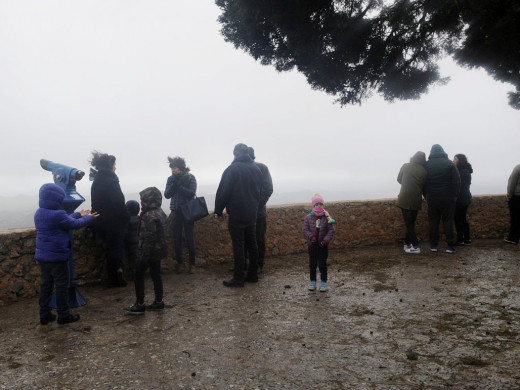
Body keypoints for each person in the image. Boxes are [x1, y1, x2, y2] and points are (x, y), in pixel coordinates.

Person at [34, 183, 99, 325]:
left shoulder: (39, 212)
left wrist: (77, 214)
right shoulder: (58, 214)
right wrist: (89, 218)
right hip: (57, 257)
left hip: (43, 257)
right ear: (57, 199)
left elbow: (65, 220)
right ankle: (63, 315)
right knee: (61, 285)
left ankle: (44, 314)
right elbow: (73, 224)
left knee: (46, 285)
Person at [215, 143, 263, 287]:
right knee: (252, 244)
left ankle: (238, 277)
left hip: (237, 212)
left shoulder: (232, 169)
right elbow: (259, 192)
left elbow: (223, 191)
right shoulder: (256, 169)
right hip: (252, 213)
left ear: (235, 154)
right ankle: (253, 274)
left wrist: (218, 211)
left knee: (239, 245)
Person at [124, 187, 168, 314]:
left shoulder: (149, 215)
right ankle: (159, 301)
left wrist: (143, 255)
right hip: (159, 250)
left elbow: (149, 237)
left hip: (149, 251)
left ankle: (139, 303)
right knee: (156, 274)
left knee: (138, 274)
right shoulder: (160, 212)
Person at [90, 151, 130, 287]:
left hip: (98, 220)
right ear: (110, 166)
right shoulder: (111, 180)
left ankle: (111, 275)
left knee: (107, 249)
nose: (115, 167)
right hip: (113, 222)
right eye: (114, 165)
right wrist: (126, 218)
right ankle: (117, 273)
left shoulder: (96, 180)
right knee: (116, 248)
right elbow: (118, 202)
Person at [424, 144, 461, 253]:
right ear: (442, 151)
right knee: (448, 221)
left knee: (433, 221)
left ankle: (433, 245)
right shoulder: (450, 163)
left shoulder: (426, 165)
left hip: (432, 198)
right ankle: (450, 245)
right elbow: (457, 182)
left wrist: (425, 195)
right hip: (447, 198)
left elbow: (423, 183)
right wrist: (454, 196)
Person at [164, 156, 198, 274]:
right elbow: (167, 195)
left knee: (190, 239)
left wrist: (180, 186)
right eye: (172, 168)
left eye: (175, 168)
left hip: (188, 211)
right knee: (176, 239)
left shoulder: (190, 177)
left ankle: (192, 264)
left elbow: (191, 193)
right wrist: (174, 185)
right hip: (176, 211)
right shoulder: (170, 179)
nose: (173, 170)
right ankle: (180, 263)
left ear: (181, 168)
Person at [246, 146, 273, 274]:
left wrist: (256, 205)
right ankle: (248, 264)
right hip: (247, 212)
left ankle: (258, 265)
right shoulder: (243, 169)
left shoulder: (262, 168)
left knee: (258, 240)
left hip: (258, 213)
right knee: (247, 240)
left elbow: (268, 189)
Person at [302, 194, 336, 292]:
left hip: (323, 246)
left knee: (322, 264)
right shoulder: (308, 217)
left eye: (321, 203)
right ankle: (312, 281)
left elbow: (331, 230)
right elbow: (305, 230)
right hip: (312, 246)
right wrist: (311, 237)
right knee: (312, 264)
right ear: (313, 206)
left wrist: (325, 240)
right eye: (317, 204)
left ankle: (324, 282)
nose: (319, 205)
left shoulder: (327, 217)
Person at [397, 151, 427, 253]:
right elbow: (424, 186)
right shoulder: (424, 171)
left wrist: (406, 183)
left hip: (404, 198)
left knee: (409, 224)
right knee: (411, 223)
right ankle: (407, 243)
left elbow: (399, 179)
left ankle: (415, 246)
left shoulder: (405, 166)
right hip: (416, 199)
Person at [453, 154, 473, 245]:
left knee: (458, 218)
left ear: (460, 160)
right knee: (462, 218)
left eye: (455, 159)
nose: (453, 160)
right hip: (465, 197)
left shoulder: (461, 171)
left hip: (461, 198)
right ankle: (466, 238)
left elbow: (460, 186)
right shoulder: (466, 170)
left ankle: (461, 239)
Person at [124, 200, 140, 281]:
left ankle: (134, 275)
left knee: (133, 260)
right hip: (139, 243)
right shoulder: (140, 219)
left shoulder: (126, 220)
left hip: (129, 244)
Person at [505, 163, 520, 244]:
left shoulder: (518, 168)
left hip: (517, 197)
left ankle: (513, 238)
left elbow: (511, 183)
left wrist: (510, 196)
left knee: (515, 218)